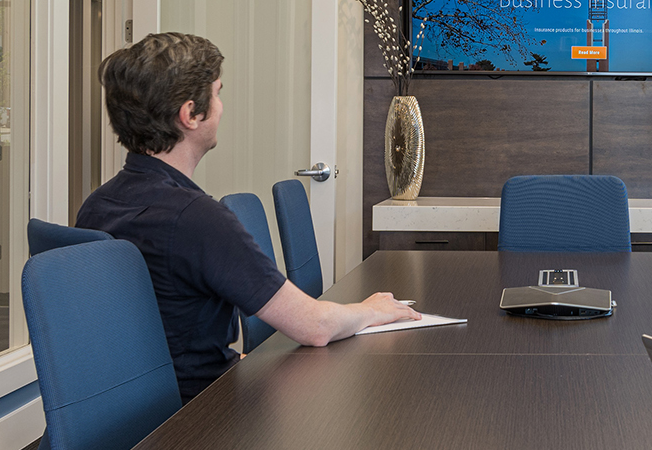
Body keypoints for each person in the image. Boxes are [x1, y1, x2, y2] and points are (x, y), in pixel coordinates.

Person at [77, 31, 416, 404]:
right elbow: (314, 326)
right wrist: (370, 310)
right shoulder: (197, 219)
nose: (221, 106)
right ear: (190, 114)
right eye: (217, 93)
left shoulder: (96, 206)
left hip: (138, 412)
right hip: (199, 420)